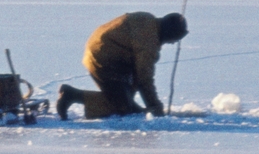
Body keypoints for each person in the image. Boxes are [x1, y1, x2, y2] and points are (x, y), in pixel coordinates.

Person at [57, 11, 188, 120]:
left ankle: (127, 104)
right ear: (169, 33)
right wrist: (155, 107)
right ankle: (72, 95)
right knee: (123, 109)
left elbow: (139, 73)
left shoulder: (148, 20)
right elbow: (144, 78)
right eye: (174, 39)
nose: (173, 43)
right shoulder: (149, 41)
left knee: (127, 104)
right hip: (104, 59)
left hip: (106, 53)